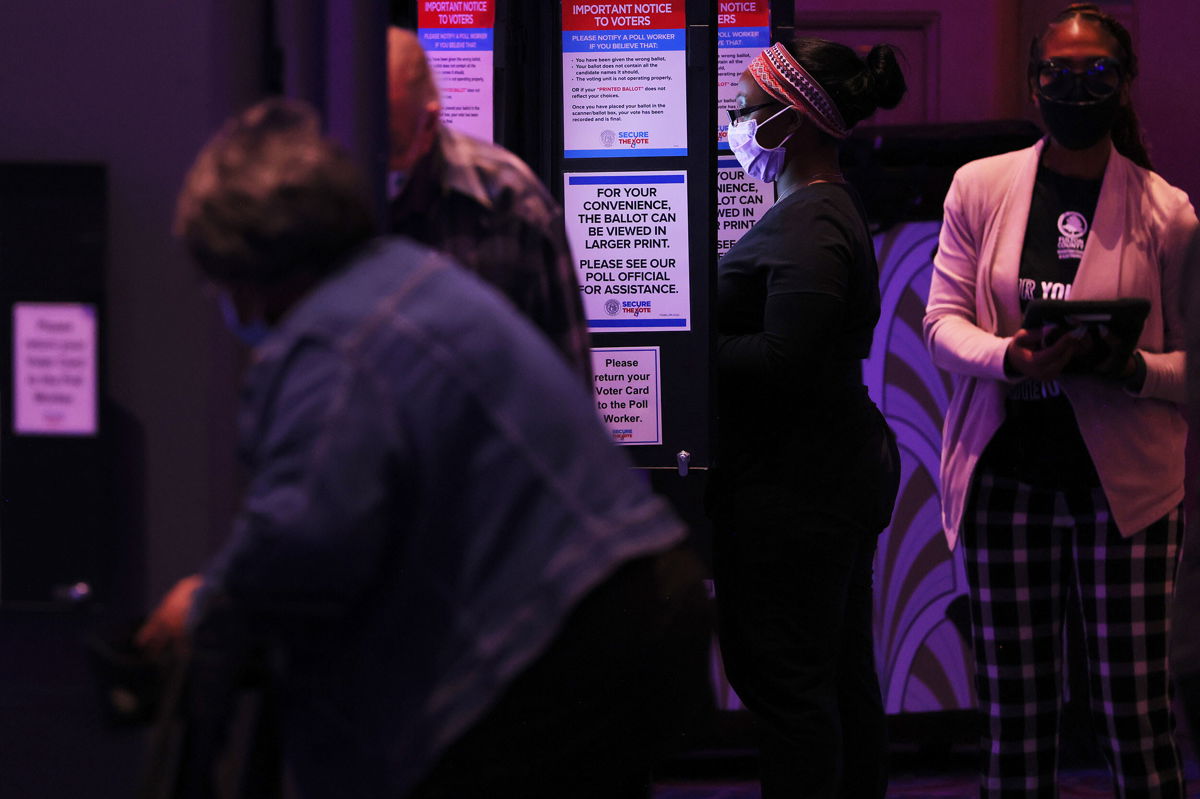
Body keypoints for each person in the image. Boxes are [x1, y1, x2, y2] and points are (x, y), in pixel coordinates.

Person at [136, 98, 711, 799]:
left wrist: (201, 608)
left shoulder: (333, 344)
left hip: (563, 646)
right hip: (642, 611)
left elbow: (305, 539)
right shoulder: (411, 278)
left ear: (248, 271)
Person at [923, 4, 1197, 796]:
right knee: (1016, 717)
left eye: (1097, 73)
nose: (1077, 88)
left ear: (1126, 85)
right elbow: (941, 324)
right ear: (1034, 85)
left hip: (1130, 495)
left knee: (1134, 714)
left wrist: (1131, 370)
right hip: (1006, 480)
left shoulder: (1167, 211)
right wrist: (1014, 354)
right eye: (1059, 73)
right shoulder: (980, 186)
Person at [710, 38, 904, 798]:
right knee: (833, 676)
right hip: (820, 478)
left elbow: (786, 360)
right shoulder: (814, 211)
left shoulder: (813, 222)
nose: (734, 121)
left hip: (798, 490)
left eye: (746, 110)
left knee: (789, 687)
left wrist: (685, 345)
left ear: (791, 123)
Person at [386, 27, 591, 382]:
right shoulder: (321, 195)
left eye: (391, 146)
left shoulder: (508, 201)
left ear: (429, 123)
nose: (376, 164)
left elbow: (565, 378)